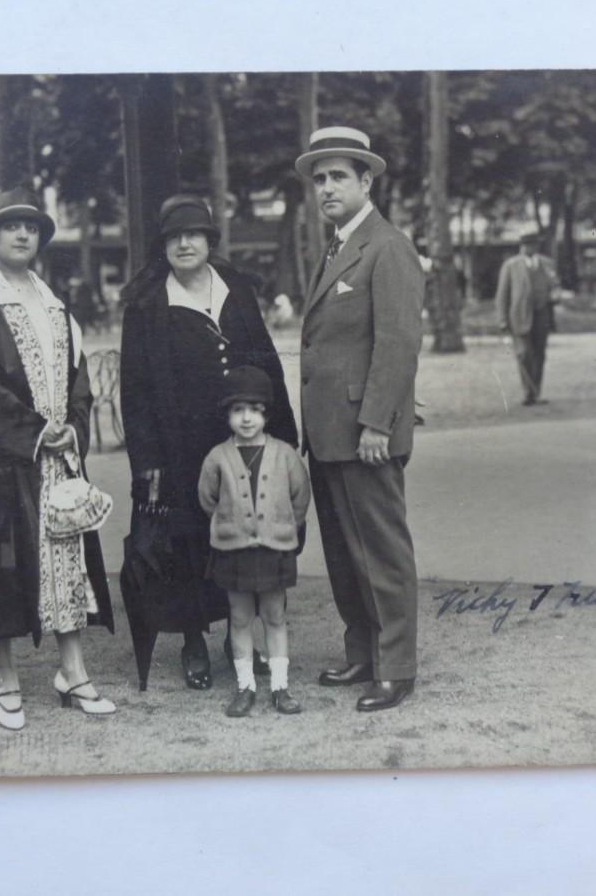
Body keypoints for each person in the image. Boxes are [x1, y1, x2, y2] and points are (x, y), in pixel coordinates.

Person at [0, 187, 115, 731]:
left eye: (32, 226)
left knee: (69, 564)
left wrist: (74, 430)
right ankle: (5, 681)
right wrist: (37, 433)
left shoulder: (57, 305)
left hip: (58, 460)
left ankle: (73, 672)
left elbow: (79, 380)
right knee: (0, 566)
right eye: (11, 225)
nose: (23, 234)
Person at [120, 194, 297, 691]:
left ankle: (237, 641)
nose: (184, 243)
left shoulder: (235, 288)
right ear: (164, 246)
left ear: (209, 241)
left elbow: (265, 359)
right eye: (174, 237)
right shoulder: (147, 306)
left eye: (193, 235)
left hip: (242, 438)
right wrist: (147, 461)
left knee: (244, 539)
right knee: (187, 545)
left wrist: (282, 434)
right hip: (179, 446)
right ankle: (194, 641)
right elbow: (133, 393)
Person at [295, 126, 424, 712]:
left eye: (338, 176)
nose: (325, 188)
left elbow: (397, 342)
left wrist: (377, 423)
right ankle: (364, 654)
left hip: (364, 433)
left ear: (366, 181)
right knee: (346, 555)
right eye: (319, 179)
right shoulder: (336, 248)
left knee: (382, 554)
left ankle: (396, 667)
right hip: (328, 433)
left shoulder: (387, 245)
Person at [198, 366, 311, 717]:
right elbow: (208, 500)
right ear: (227, 414)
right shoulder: (217, 457)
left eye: (254, 409)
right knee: (240, 616)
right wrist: (233, 524)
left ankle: (280, 687)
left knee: (275, 615)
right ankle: (245, 686)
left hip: (274, 550)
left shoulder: (285, 455)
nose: (246, 418)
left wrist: (278, 528)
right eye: (237, 410)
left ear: (266, 413)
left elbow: (299, 498)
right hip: (234, 552)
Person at [496, 231, 559, 406]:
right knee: (524, 354)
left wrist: (555, 294)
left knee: (540, 354)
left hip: (542, 315)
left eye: (533, 245)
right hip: (519, 316)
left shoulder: (547, 264)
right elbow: (502, 295)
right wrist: (502, 319)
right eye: (527, 245)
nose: (530, 248)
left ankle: (536, 392)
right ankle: (528, 392)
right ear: (521, 247)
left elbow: (555, 285)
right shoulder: (511, 265)